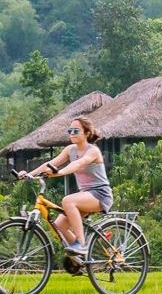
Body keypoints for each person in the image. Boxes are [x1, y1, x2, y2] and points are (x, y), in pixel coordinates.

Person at [23, 116, 113, 272]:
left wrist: (59, 172)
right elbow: (50, 164)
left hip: (100, 195)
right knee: (59, 225)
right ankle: (82, 258)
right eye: (69, 130)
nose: (72, 133)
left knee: (68, 201)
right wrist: (29, 174)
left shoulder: (93, 151)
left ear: (86, 133)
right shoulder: (69, 149)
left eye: (76, 131)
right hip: (85, 195)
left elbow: (77, 164)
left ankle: (81, 244)